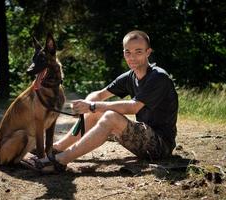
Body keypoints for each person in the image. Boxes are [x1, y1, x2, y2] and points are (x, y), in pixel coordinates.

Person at [33, 30, 178, 173]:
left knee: (108, 116)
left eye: (138, 52)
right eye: (128, 52)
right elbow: (99, 95)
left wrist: (92, 106)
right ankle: (56, 148)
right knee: (96, 111)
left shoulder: (158, 77)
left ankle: (60, 161)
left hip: (160, 145)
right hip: (142, 138)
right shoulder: (130, 76)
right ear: (123, 53)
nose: (132, 57)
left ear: (148, 52)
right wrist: (86, 105)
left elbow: (133, 107)